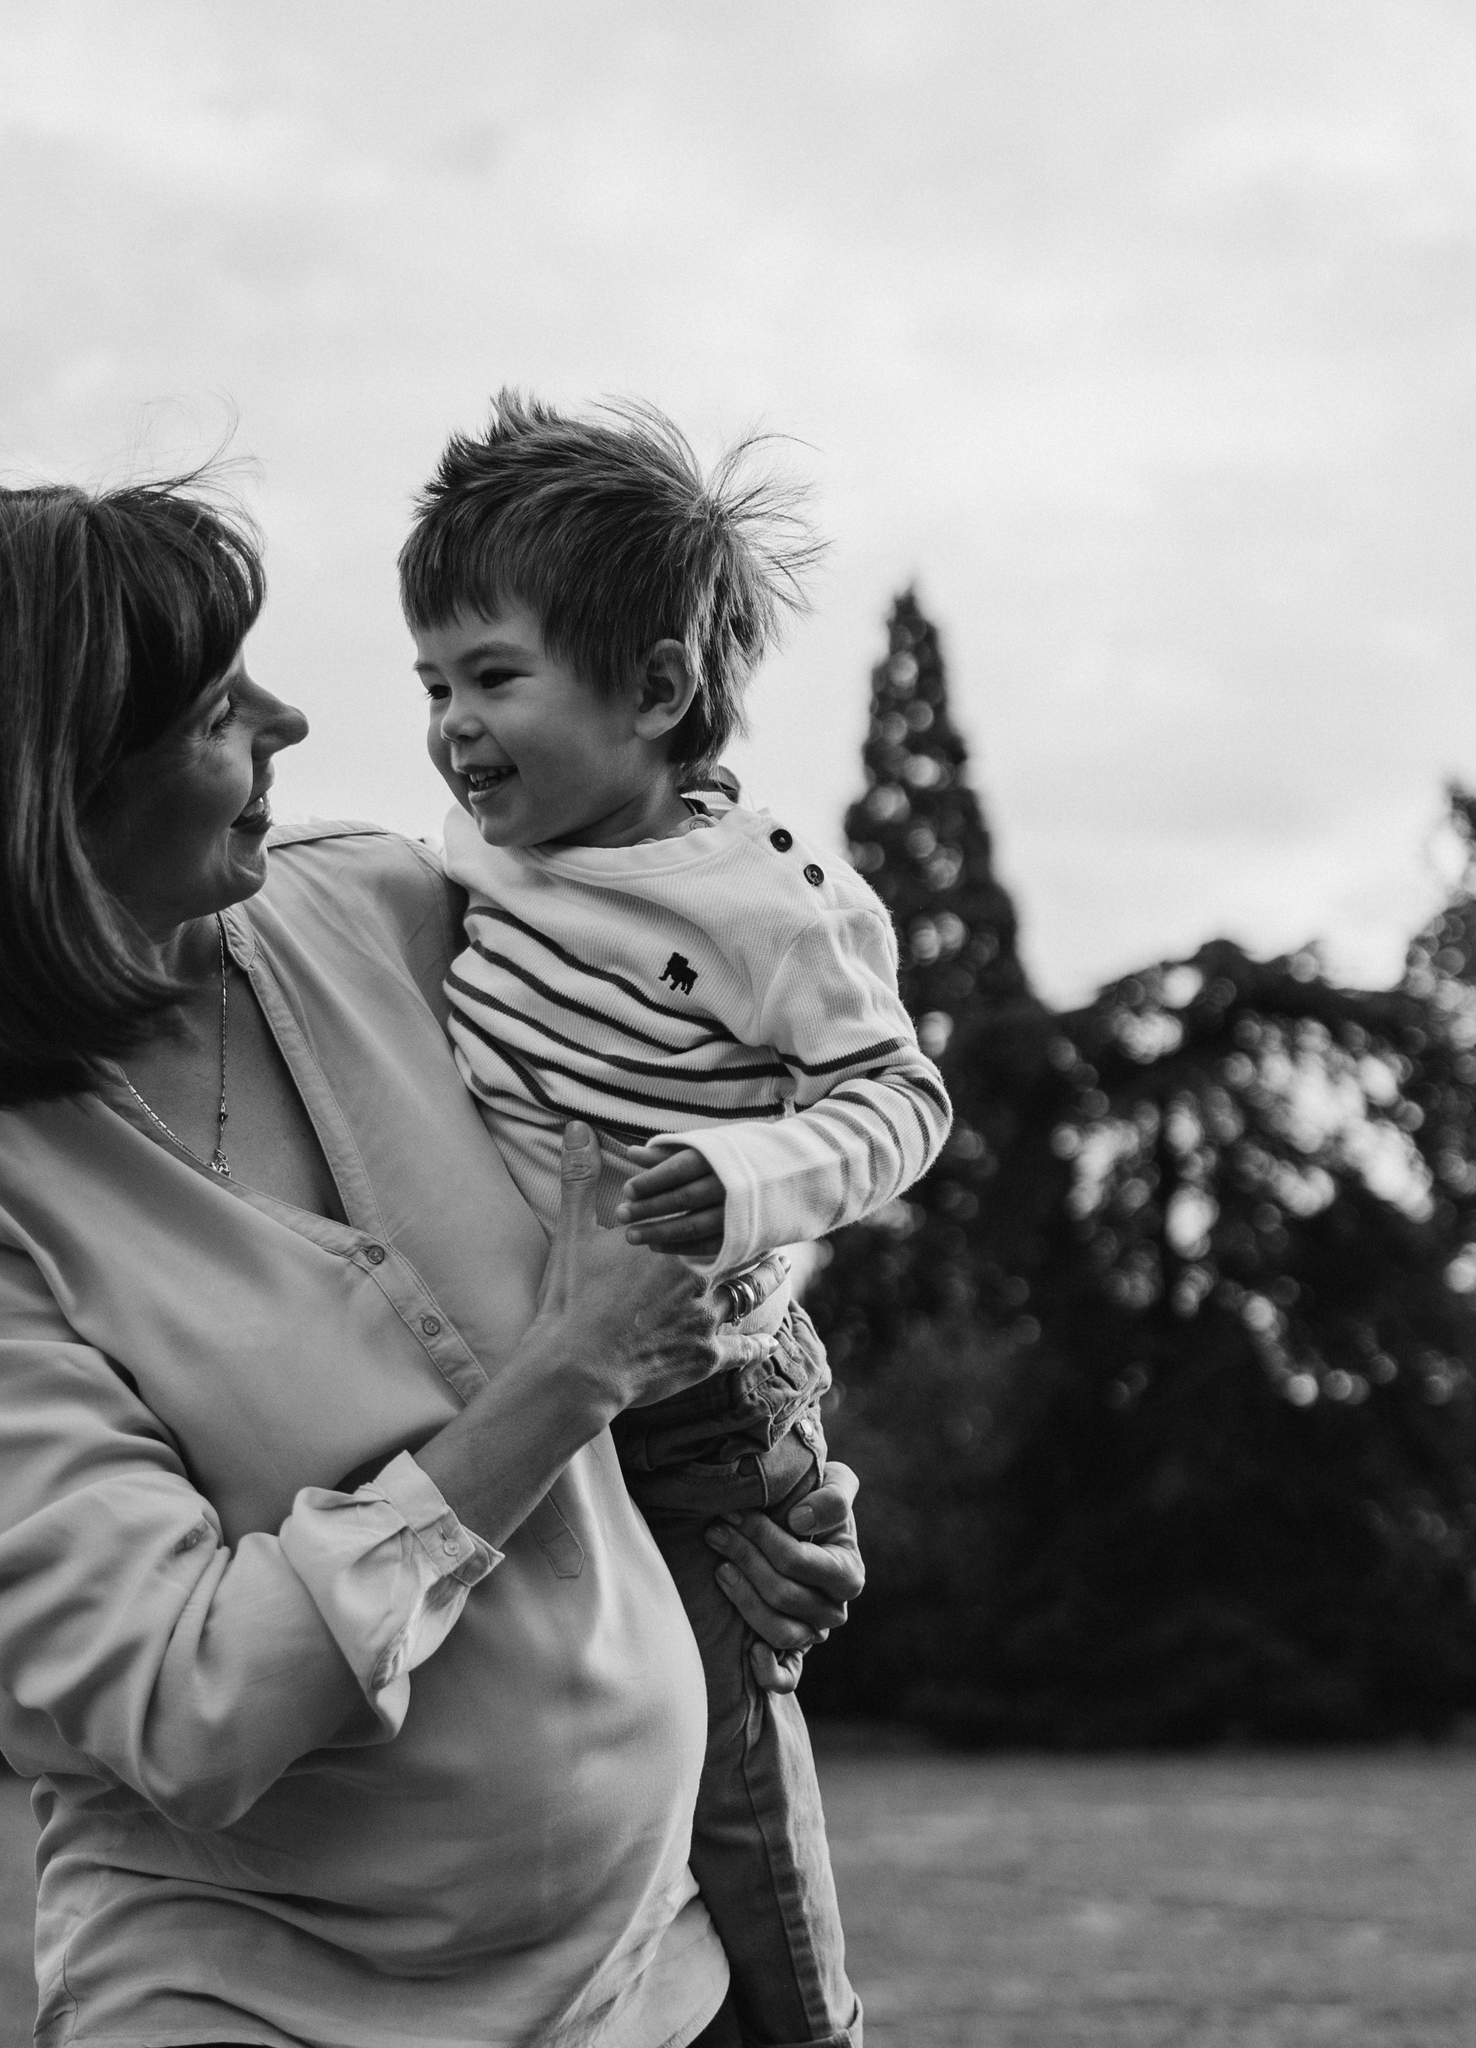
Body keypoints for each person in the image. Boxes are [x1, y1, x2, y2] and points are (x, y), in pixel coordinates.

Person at [0, 477, 868, 2048]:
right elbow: (183, 1704)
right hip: (258, 2008)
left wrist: (762, 1470)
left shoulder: (391, 906)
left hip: (651, 1982)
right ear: (46, 792)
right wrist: (568, 1376)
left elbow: (684, 1155)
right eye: (217, 706)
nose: (287, 720)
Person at [401, 394, 951, 2048]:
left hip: (709, 1402)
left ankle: (812, 2030)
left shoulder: (774, 899)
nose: (451, 728)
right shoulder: (464, 864)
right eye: (432, 684)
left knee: (719, 1760)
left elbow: (903, 1102)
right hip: (553, 1393)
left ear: (652, 689)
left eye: (494, 677)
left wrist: (740, 1181)